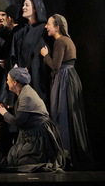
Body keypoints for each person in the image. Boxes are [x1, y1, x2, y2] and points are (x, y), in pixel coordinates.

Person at [40, 14, 94, 169]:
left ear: (57, 27)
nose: (46, 27)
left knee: (61, 115)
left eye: (49, 24)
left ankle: (65, 155)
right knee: (70, 116)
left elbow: (56, 66)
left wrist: (45, 56)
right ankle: (71, 153)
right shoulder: (68, 40)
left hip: (64, 79)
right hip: (71, 78)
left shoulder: (60, 41)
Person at [0, 68, 66, 172]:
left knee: (20, 162)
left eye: (8, 79)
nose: (6, 82)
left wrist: (4, 113)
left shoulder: (26, 95)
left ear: (14, 82)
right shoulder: (24, 90)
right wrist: (9, 107)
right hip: (31, 133)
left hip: (38, 136)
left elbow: (18, 122)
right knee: (12, 158)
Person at [9, 0, 52, 106]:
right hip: (21, 76)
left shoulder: (43, 29)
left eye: (27, 5)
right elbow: (15, 51)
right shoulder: (20, 30)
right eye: (23, 5)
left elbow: (42, 52)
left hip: (37, 75)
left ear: (35, 9)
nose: (23, 7)